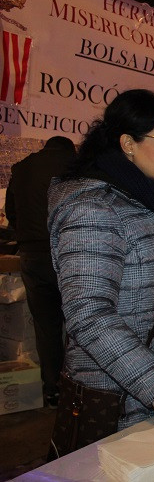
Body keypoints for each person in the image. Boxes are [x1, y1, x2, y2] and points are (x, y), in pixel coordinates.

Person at [47, 90, 154, 438]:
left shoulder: (144, 200)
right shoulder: (94, 210)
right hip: (119, 400)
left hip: (153, 390)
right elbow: (88, 313)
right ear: (128, 143)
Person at [6, 136, 75, 408]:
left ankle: (52, 390)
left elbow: (12, 212)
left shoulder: (22, 167)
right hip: (69, 253)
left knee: (46, 327)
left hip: (32, 256)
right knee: (79, 323)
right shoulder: (78, 166)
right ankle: (79, 386)